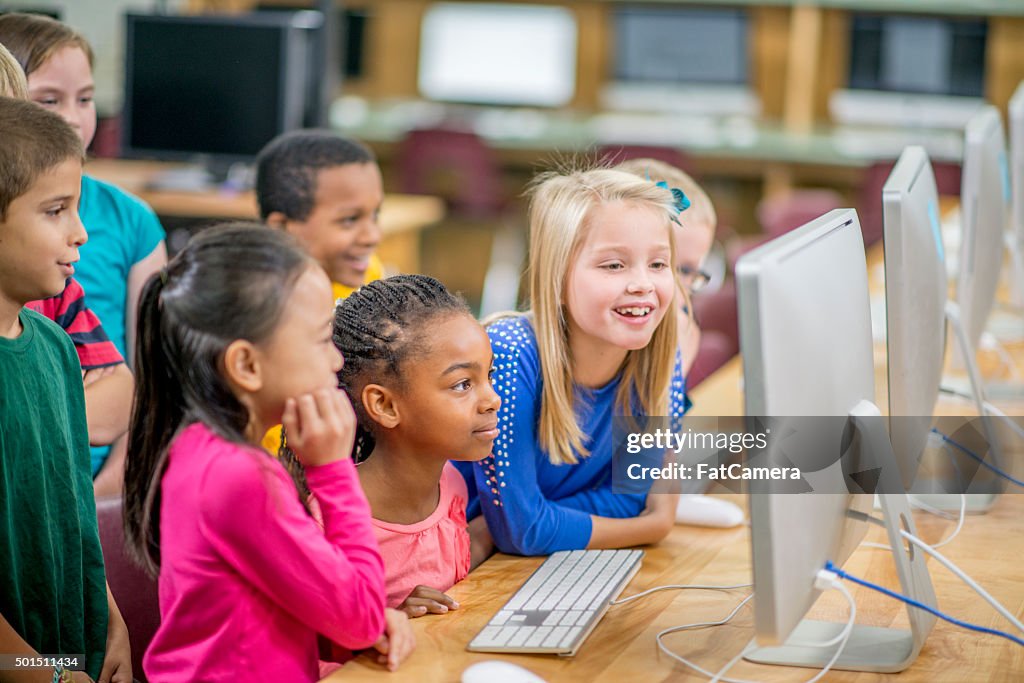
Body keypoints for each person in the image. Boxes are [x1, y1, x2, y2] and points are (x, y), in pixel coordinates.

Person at [122, 224, 413, 681]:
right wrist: (333, 470)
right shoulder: (238, 474)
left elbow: (285, 601)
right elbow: (358, 614)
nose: (337, 360)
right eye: (321, 339)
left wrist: (358, 625)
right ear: (247, 365)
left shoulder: (204, 450)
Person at [456, 167, 686, 555]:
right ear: (557, 279)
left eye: (658, 264)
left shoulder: (662, 362)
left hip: (513, 563)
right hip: (451, 576)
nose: (643, 283)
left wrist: (521, 523)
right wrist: (651, 526)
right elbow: (522, 532)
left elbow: (628, 500)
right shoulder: (508, 356)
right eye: (614, 265)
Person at [0, 13, 167, 483]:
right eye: (48, 101)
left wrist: (114, 482)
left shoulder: (63, 290)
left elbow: (133, 389)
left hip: (85, 482)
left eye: (86, 99)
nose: (72, 118)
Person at [0, 95, 131, 683]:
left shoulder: (55, 347)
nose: (80, 233)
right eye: (55, 211)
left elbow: (71, 503)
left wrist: (110, 619)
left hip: (73, 647)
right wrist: (45, 672)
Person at [333, 275, 500, 615]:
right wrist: (385, 624)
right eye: (462, 384)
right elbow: (310, 653)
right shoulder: (332, 524)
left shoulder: (451, 484)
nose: (492, 399)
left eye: (490, 376)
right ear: (385, 406)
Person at [616, 157, 745, 528]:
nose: (683, 290)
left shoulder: (678, 332)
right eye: (675, 268)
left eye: (694, 272)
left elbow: (658, 439)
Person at [255, 129, 386, 455]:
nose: (371, 235)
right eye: (349, 220)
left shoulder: (368, 277)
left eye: (375, 215)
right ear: (282, 227)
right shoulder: (259, 311)